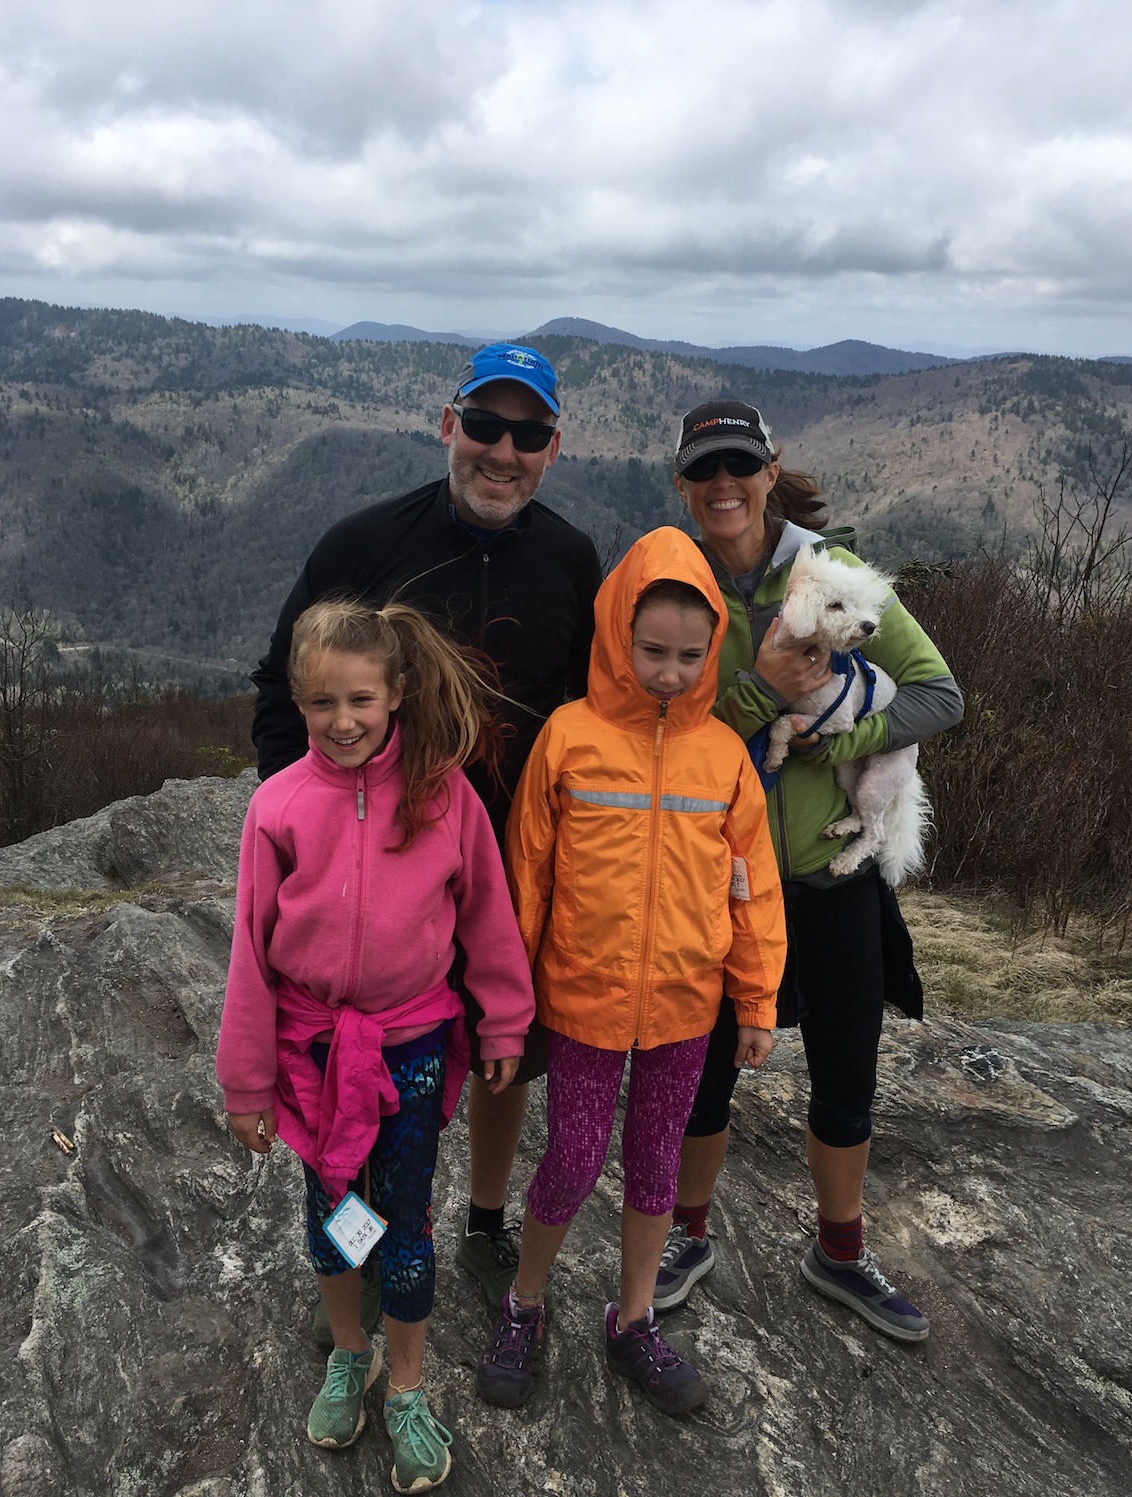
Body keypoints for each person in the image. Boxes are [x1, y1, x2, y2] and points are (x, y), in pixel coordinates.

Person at [250, 344, 604, 1325]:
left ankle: (482, 1219)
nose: (503, 451)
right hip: (383, 875)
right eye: (485, 426)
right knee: (354, 1084)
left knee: (505, 1054)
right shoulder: (366, 543)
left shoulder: (571, 560)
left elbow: (590, 712)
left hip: (511, 868)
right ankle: (358, 1245)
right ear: (447, 424)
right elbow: (286, 697)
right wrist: (305, 833)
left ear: (552, 448)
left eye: (527, 435)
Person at [656, 401, 963, 1343]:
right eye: (705, 468)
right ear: (682, 481)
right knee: (702, 1072)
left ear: (770, 467)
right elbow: (654, 727)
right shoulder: (670, 579)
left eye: (739, 465)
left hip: (832, 876)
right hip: (721, 878)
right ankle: (688, 1234)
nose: (723, 485)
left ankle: (839, 1249)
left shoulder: (832, 574)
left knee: (846, 1070)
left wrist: (846, 735)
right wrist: (763, 696)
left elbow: (939, 692)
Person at [217, 598, 536, 1493]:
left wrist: (505, 1018)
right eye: (321, 703)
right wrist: (245, 1081)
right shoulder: (276, 808)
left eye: (360, 697)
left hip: (413, 1043)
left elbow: (486, 915)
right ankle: (347, 1353)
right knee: (331, 1209)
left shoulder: (445, 795)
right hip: (312, 1051)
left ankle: (405, 1385)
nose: (343, 720)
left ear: (397, 691)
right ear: (299, 700)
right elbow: (250, 949)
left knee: (403, 1217)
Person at [474, 526, 787, 1416]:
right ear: (617, 635)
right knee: (570, 1160)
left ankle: (634, 1317)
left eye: (693, 655)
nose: (671, 672)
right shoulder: (570, 737)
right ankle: (524, 1304)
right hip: (581, 1003)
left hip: (686, 1009)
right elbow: (525, 875)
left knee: (656, 1168)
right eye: (652, 650)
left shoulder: (724, 754)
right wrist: (508, 1005)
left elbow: (752, 885)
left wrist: (756, 998)